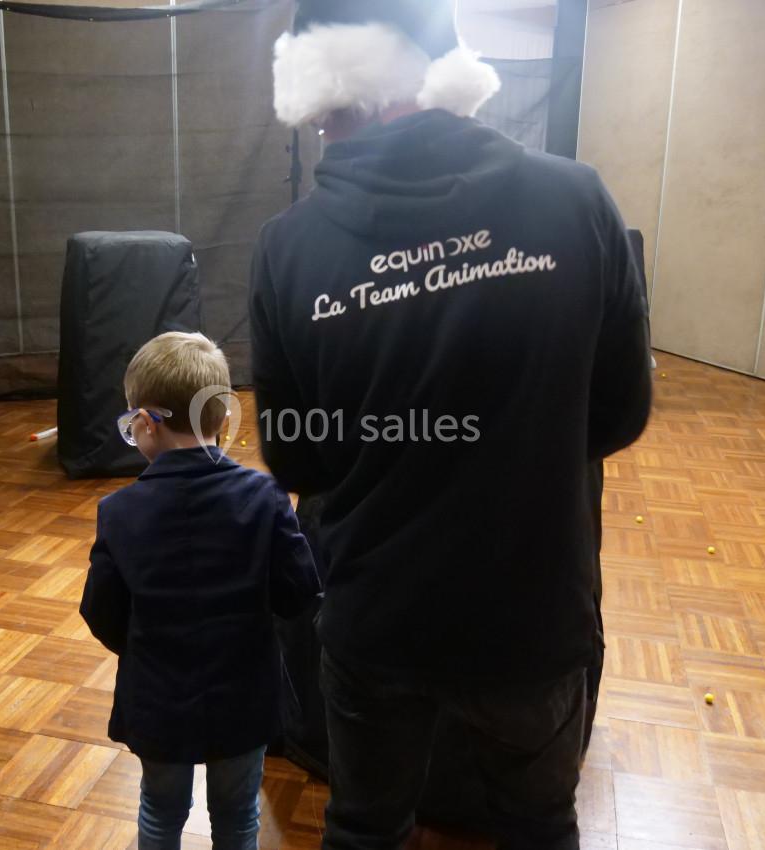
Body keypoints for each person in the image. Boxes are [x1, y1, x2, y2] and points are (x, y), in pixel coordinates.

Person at [250, 1, 652, 848]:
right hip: (534, 608)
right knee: (540, 827)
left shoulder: (288, 248)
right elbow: (619, 413)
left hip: (378, 618)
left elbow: (298, 459)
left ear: (332, 90)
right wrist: (513, 443)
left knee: (364, 829)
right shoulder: (577, 199)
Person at [79, 331, 322, 850]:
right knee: (238, 818)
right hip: (245, 697)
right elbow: (300, 592)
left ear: (145, 423)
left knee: (160, 814)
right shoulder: (266, 497)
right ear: (221, 417)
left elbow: (101, 612)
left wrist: (145, 645)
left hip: (157, 699)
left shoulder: (118, 512)